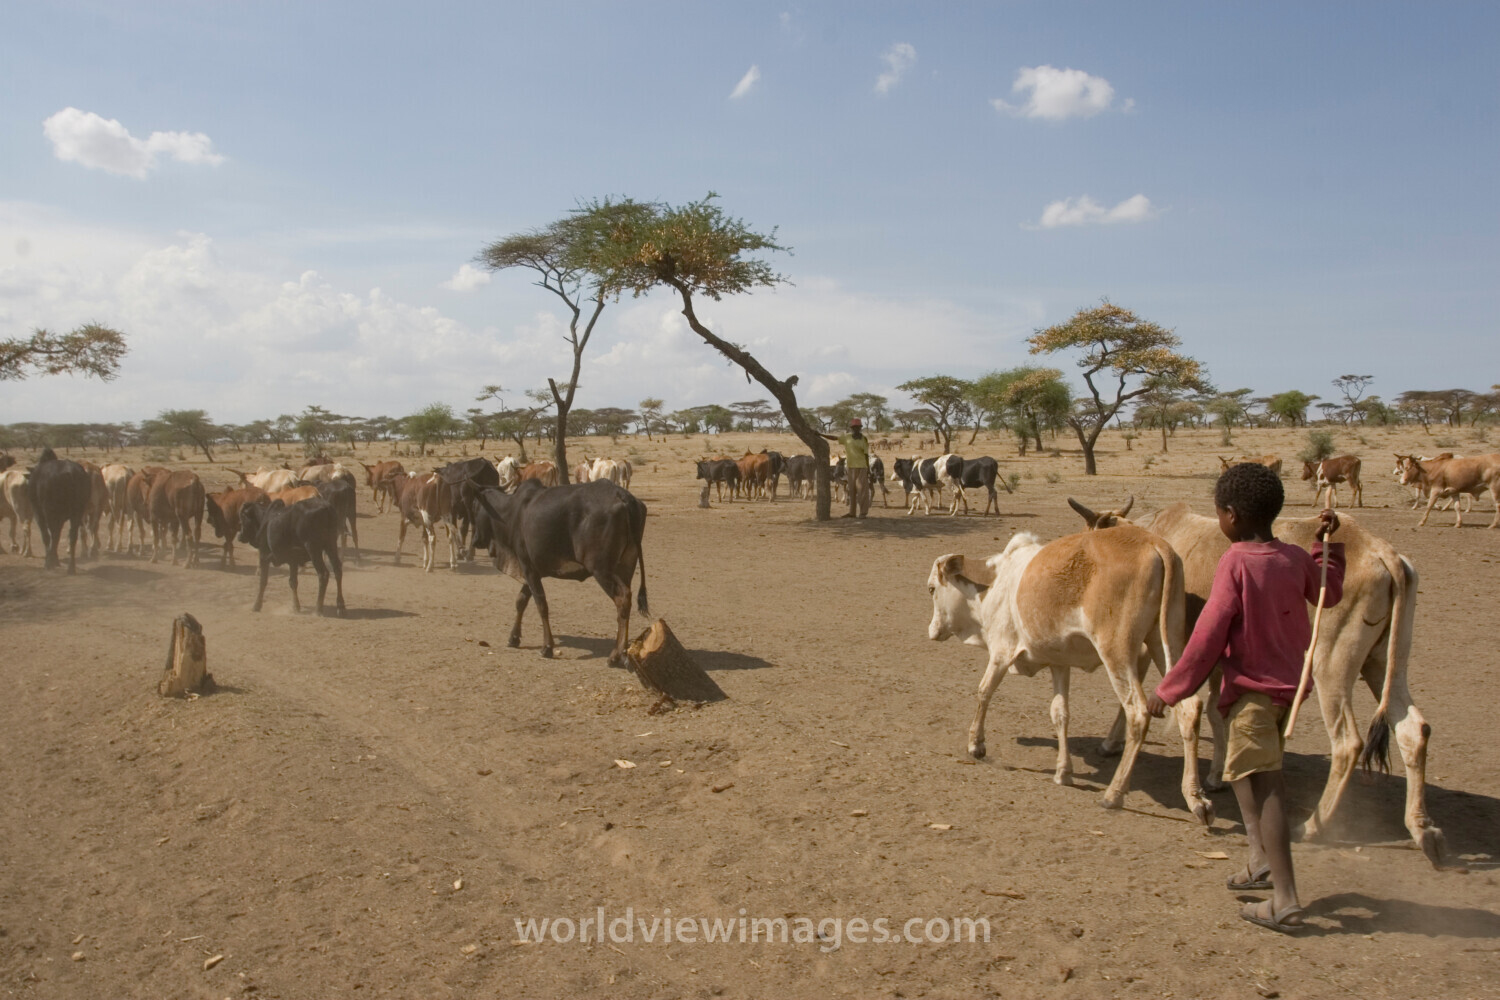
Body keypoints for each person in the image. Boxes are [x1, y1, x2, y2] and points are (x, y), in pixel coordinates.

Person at [1146, 462, 1344, 934]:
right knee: (1242, 771)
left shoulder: (1235, 561)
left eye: (1218, 514)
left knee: (1267, 784)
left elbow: (1209, 633)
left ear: (1230, 516)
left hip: (1254, 692)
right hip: (1287, 691)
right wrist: (1325, 547)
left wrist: (1170, 689)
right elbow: (1329, 591)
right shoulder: (1295, 558)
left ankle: (1285, 898)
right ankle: (1259, 860)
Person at [820, 418, 871, 518]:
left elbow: (866, 455)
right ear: (852, 428)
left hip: (861, 467)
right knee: (851, 490)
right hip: (850, 467)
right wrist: (821, 434)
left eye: (858, 427)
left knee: (862, 491)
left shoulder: (863, 439)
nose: (856, 429)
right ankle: (852, 512)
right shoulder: (847, 437)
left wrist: (868, 468)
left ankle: (863, 512)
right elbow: (834, 438)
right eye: (854, 427)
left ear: (860, 428)